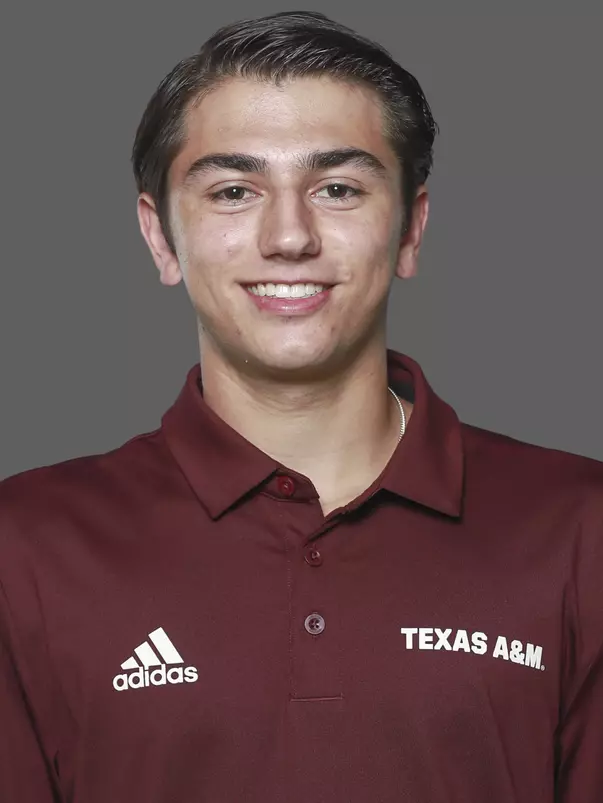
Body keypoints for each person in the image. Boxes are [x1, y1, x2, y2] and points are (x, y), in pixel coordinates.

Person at [0, 9, 602, 803]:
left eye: (338, 188)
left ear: (410, 228)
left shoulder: (579, 526)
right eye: (233, 191)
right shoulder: (26, 545)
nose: (289, 236)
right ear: (160, 237)